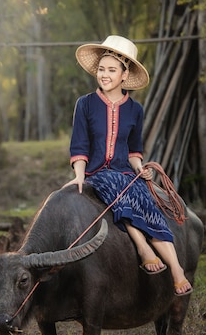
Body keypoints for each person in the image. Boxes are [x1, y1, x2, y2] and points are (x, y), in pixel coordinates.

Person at [64, 35, 193, 296]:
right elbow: (79, 145)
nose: (104, 75)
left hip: (125, 173)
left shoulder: (136, 110)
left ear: (125, 75)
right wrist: (79, 176)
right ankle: (143, 248)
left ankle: (176, 269)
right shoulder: (85, 104)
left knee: (147, 203)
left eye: (112, 70)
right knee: (115, 185)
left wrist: (139, 168)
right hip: (97, 174)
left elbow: (134, 152)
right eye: (101, 69)